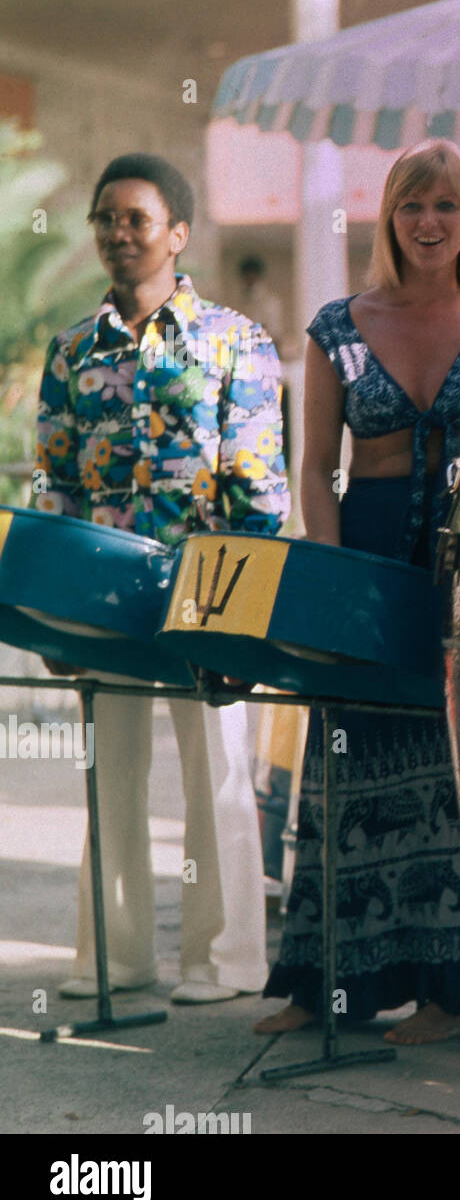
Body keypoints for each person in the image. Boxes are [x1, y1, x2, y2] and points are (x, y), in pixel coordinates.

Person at [255, 140, 460, 1043]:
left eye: (447, 207)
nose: (429, 223)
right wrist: (338, 579)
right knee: (344, 765)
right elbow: (313, 469)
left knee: (455, 772)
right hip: (366, 550)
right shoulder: (337, 324)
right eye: (412, 206)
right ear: (388, 217)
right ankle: (324, 986)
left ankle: (448, 996)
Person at [34, 153, 287, 1003]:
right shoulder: (70, 353)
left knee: (216, 771)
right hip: (103, 590)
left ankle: (226, 960)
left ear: (178, 233)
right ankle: (115, 955)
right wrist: (55, 620)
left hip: (206, 587)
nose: (117, 233)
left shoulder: (234, 341)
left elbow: (259, 494)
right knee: (111, 772)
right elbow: (57, 487)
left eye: (136, 218)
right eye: (105, 217)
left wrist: (248, 616)